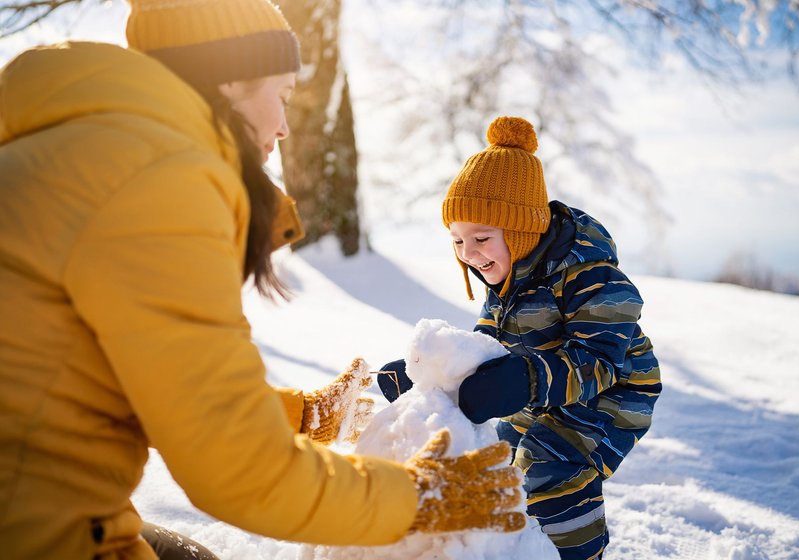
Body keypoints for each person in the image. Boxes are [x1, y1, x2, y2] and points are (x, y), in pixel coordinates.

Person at [0, 1, 526, 558]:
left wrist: (301, 417)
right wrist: (417, 499)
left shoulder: (86, 152)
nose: (282, 124)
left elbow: (159, 376)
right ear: (227, 79)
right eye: (281, 93)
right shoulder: (154, 181)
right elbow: (235, 467)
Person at [378, 116, 662, 559]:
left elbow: (599, 361)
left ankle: (577, 553)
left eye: (481, 237)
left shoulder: (590, 275)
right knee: (499, 458)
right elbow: (484, 350)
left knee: (548, 465)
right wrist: (435, 382)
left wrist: (524, 380)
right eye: (457, 240)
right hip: (545, 390)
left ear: (523, 229)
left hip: (614, 393)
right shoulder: (506, 283)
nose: (468, 254)